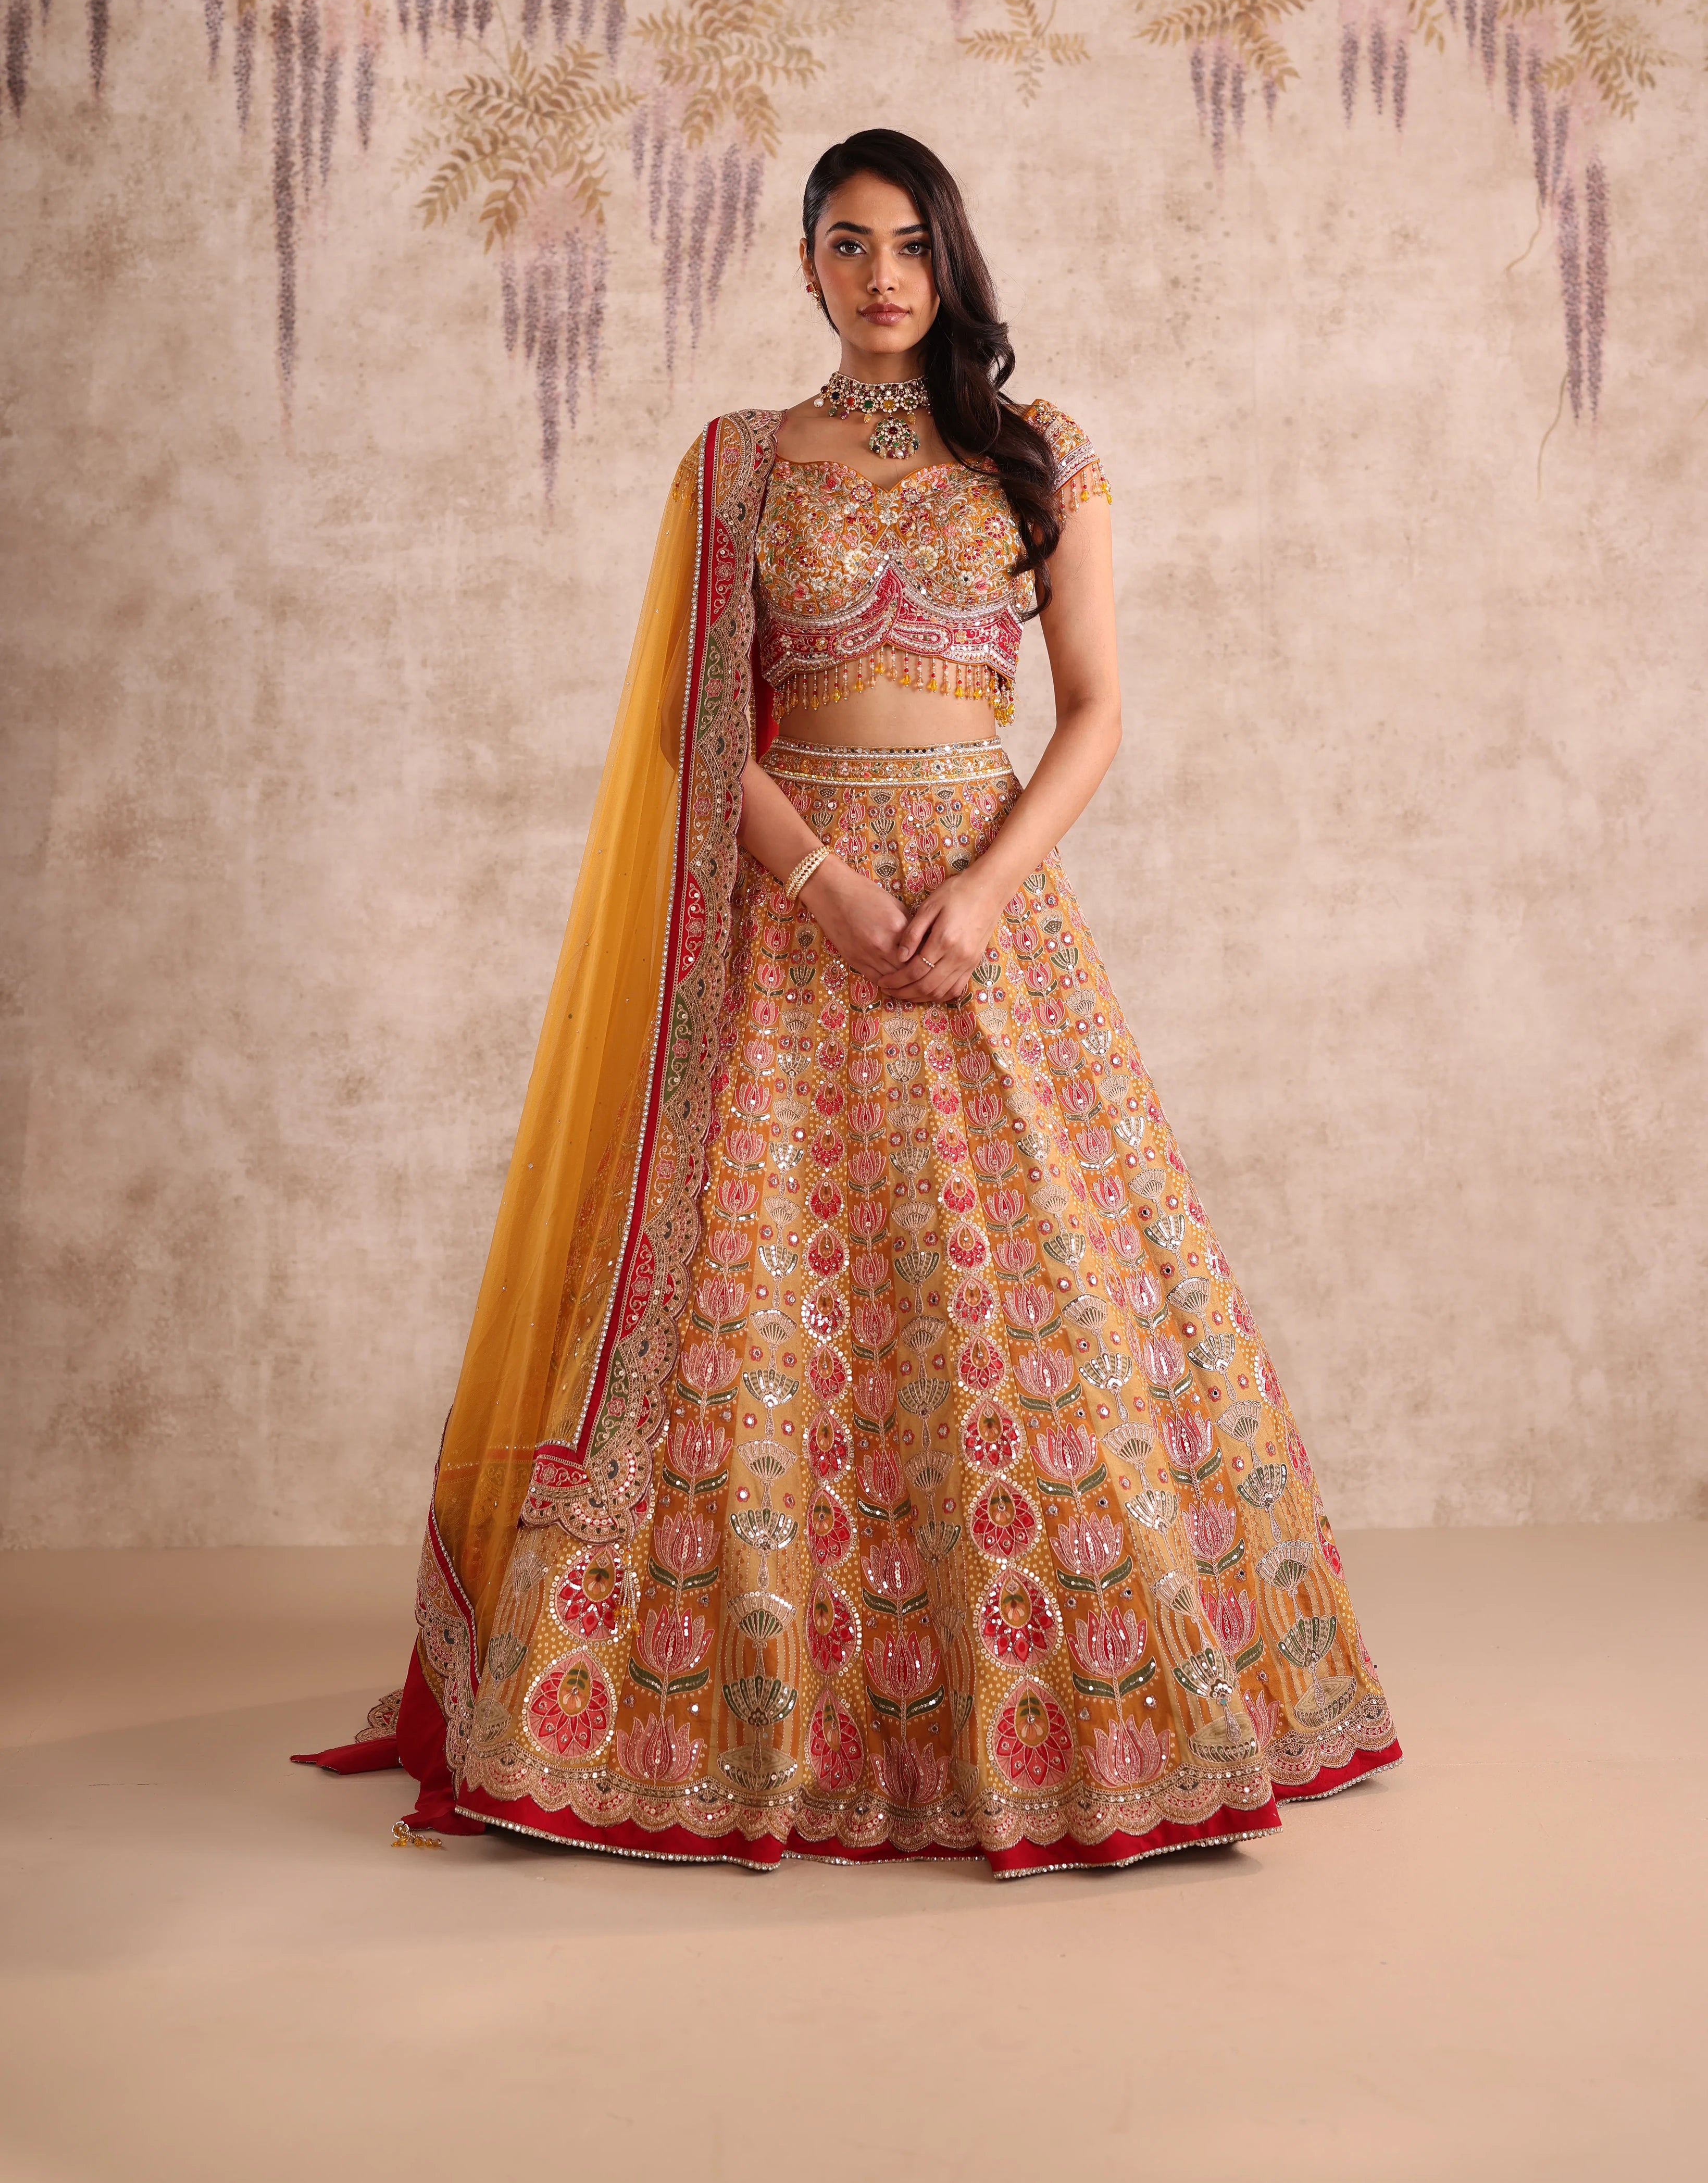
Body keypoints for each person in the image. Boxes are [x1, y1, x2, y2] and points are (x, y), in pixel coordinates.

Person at [296, 127, 1400, 1874]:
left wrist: (977, 890)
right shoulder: (739, 465)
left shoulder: (1040, 461)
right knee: (741, 1299)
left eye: (908, 243)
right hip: (793, 911)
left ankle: (1083, 1710)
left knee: (1042, 1300)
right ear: (805, 265)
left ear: (950, 262)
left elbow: (1096, 707)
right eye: (845, 242)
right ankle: (705, 1714)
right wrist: (832, 887)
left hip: (985, 921)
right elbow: (698, 735)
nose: (881, 273)